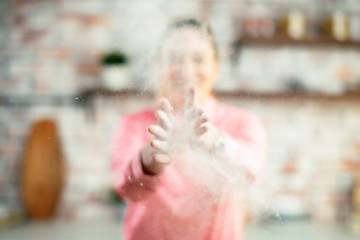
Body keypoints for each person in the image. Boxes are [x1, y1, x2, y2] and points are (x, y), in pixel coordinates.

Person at [112, 17, 267, 240]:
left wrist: (216, 141)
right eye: (174, 58)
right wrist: (150, 159)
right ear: (159, 66)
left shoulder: (243, 122)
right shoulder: (132, 125)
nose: (186, 70)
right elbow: (129, 191)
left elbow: (251, 173)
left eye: (198, 58)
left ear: (217, 68)